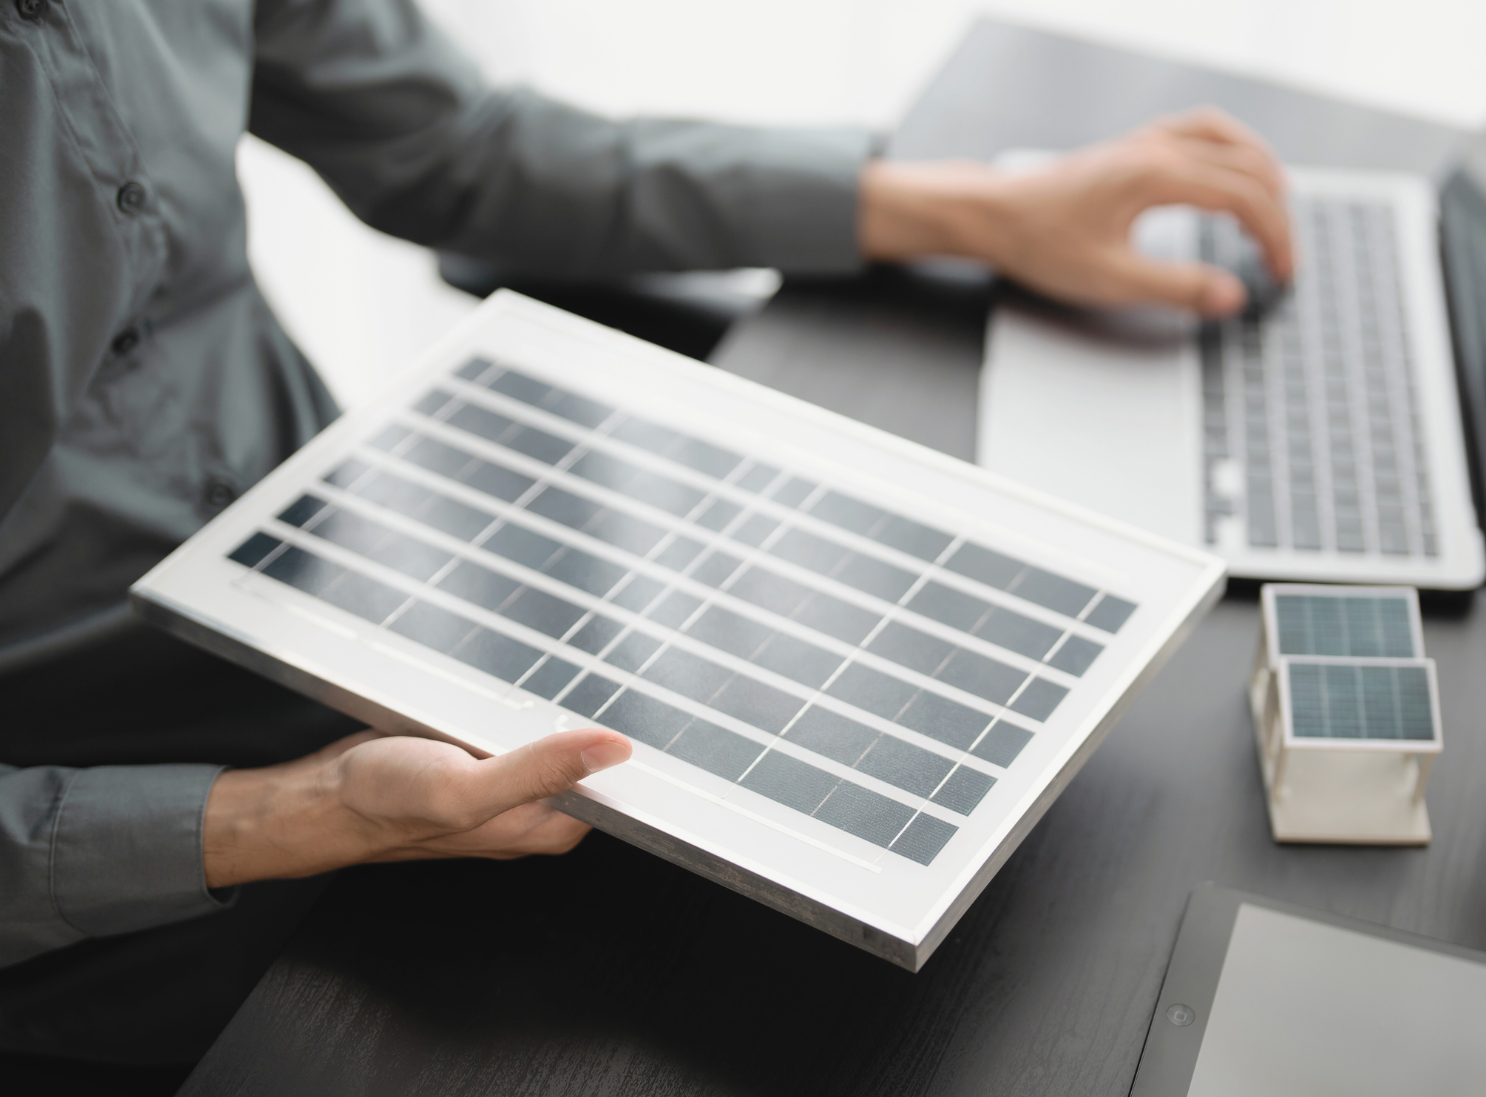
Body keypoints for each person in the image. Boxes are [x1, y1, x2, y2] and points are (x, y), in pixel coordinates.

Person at [0, 0, 1290, 1069]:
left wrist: (962, 210)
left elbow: (465, 150)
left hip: (372, 593)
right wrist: (296, 814)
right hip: (124, 876)